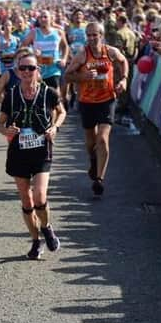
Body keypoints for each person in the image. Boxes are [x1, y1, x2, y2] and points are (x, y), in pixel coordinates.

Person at [0, 52, 66, 260]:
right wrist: (5, 131)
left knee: (39, 197)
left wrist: (55, 127)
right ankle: (36, 241)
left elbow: (62, 112)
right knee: (26, 201)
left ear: (38, 71)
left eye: (31, 68)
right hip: (18, 152)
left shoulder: (49, 93)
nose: (27, 72)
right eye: (23, 68)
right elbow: (1, 123)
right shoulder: (11, 95)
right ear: (18, 71)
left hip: (41, 150)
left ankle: (47, 227)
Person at [64, 22, 129, 197]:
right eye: (89, 35)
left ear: (102, 35)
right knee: (90, 142)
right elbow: (67, 76)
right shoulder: (82, 55)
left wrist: (123, 79)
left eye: (95, 35)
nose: (92, 38)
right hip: (86, 102)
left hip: (107, 100)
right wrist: (82, 76)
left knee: (102, 139)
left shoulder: (111, 52)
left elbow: (123, 62)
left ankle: (99, 179)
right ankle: (93, 160)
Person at [22, 10, 69, 90]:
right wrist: (31, 51)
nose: (43, 19)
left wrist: (64, 59)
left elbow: (65, 47)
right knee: (39, 96)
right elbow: (23, 47)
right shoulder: (33, 32)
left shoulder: (59, 32)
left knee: (54, 95)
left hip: (54, 69)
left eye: (45, 17)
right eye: (40, 17)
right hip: (38, 70)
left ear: (51, 19)